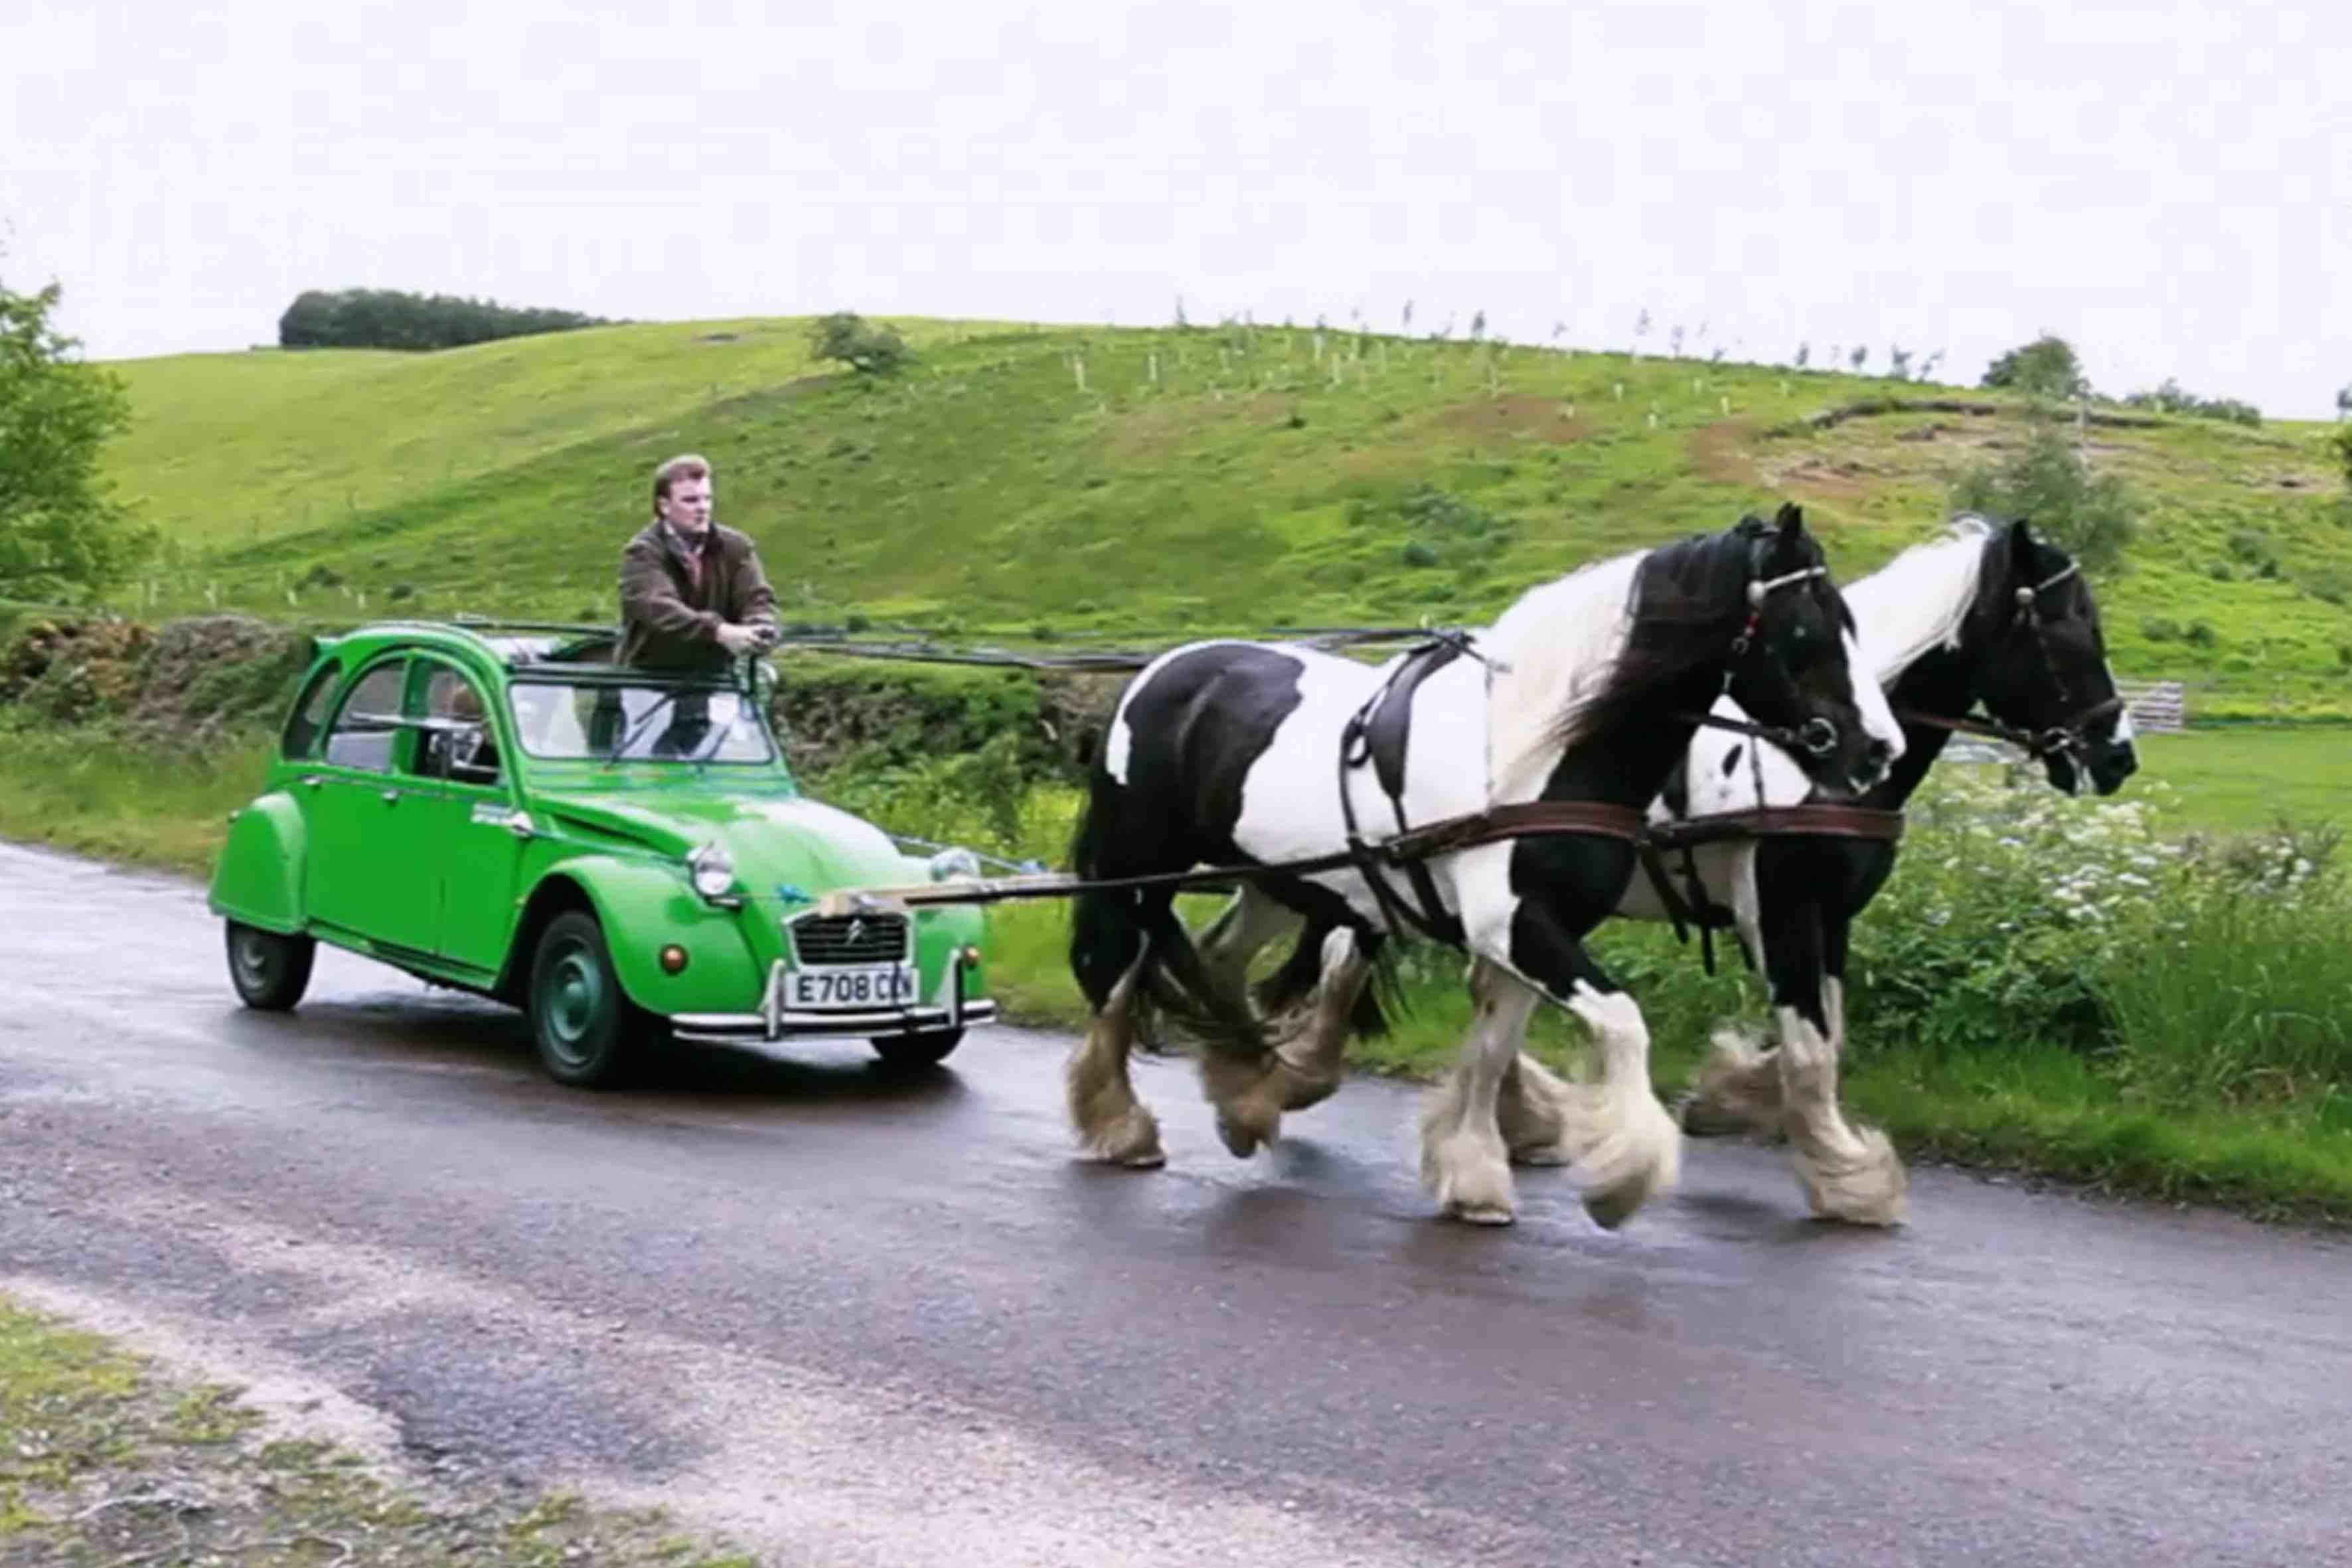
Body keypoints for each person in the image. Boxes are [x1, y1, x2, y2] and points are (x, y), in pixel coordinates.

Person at [617, 453, 782, 672]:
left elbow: (757, 597)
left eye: (707, 499)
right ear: (664, 506)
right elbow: (659, 609)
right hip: (649, 677)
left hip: (717, 676)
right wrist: (718, 631)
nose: (703, 508)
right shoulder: (643, 553)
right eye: (691, 500)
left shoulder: (736, 547)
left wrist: (760, 627)